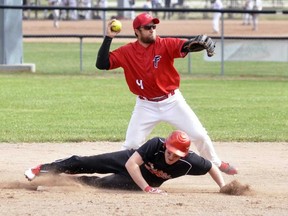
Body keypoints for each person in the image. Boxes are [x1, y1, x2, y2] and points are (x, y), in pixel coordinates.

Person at [95, 12, 238, 175]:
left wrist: (194, 44)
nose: (152, 30)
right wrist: (108, 37)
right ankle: (121, 173)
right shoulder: (127, 51)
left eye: (154, 26)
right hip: (145, 105)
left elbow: (185, 46)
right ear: (137, 31)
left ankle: (216, 163)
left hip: (172, 102)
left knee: (200, 135)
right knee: (131, 144)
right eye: (148, 27)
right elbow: (102, 64)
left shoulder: (164, 44)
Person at [24, 130, 226, 194]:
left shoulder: (190, 162)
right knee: (84, 161)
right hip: (129, 162)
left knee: (95, 183)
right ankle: (42, 169)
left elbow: (211, 167)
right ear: (166, 146)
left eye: (178, 154)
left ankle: (49, 181)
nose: (173, 156)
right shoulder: (156, 144)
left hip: (140, 182)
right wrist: (148, 189)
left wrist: (223, 187)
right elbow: (131, 165)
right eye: (171, 151)